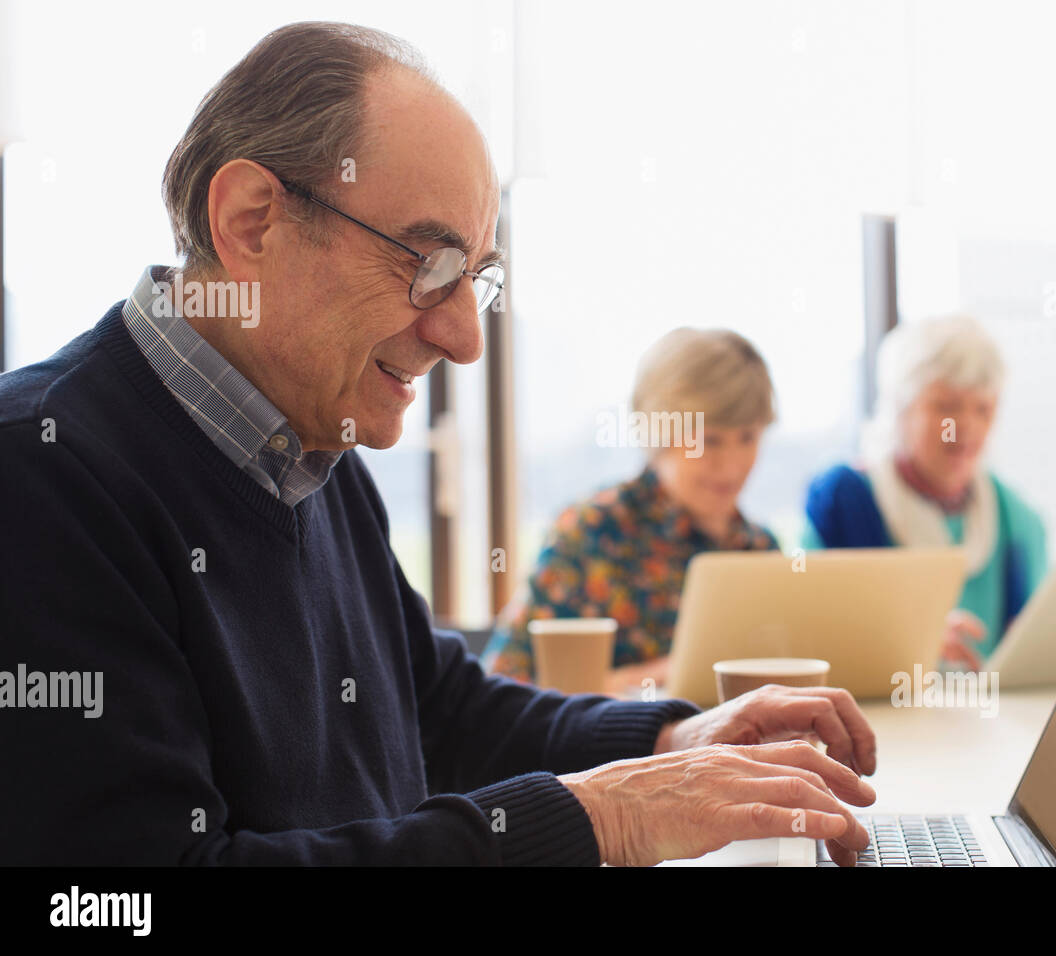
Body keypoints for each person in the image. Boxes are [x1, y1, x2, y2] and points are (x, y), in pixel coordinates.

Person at [0, 22, 876, 866]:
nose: (465, 339)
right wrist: (599, 820)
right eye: (427, 266)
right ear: (251, 220)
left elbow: (437, 710)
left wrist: (670, 739)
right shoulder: (41, 474)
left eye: (476, 280)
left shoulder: (311, 442)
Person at [481, 328, 779, 693]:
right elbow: (501, 694)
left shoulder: (761, 550)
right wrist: (648, 679)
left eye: (747, 438)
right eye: (709, 440)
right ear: (658, 432)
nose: (731, 465)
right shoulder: (590, 532)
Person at [803, 314, 1048, 668]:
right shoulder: (841, 501)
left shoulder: (1020, 520)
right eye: (946, 407)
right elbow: (806, 638)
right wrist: (907, 641)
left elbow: (1035, 650)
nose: (965, 427)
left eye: (983, 408)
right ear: (900, 409)